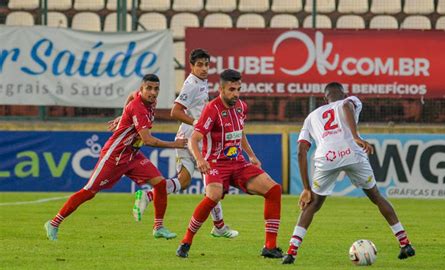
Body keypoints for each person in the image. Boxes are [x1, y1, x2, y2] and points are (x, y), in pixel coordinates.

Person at [281, 82, 415, 264]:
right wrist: (355, 137)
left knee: (312, 205)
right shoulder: (350, 100)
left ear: (324, 98)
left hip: (326, 158)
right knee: (376, 196)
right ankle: (405, 243)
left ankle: (291, 252)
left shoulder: (311, 117)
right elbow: (345, 106)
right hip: (352, 153)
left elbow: (301, 151)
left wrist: (306, 188)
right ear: (344, 94)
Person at [44, 74, 187, 241]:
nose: (152, 92)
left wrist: (123, 114)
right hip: (114, 156)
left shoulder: (148, 101)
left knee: (160, 184)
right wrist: (174, 144)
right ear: (142, 89)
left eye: (156, 89)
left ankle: (159, 227)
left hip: (132, 155)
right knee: (89, 192)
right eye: (148, 88)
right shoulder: (139, 108)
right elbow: (148, 140)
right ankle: (54, 223)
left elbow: (131, 95)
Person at [115, 49, 239, 238]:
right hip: (193, 138)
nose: (204, 68)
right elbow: (175, 111)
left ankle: (149, 195)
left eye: (206, 64)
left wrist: (122, 114)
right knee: (212, 179)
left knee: (185, 181)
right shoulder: (191, 85)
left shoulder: (201, 82)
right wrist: (198, 124)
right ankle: (219, 226)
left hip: (190, 136)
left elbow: (134, 95)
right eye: (199, 65)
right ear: (191, 66)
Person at [175, 69, 283, 259]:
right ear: (221, 89)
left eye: (238, 89)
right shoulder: (211, 108)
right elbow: (194, 139)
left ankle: (270, 247)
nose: (236, 93)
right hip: (215, 163)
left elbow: (240, 133)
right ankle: (186, 241)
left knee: (274, 190)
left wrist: (252, 155)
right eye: (232, 89)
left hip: (238, 163)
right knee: (213, 196)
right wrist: (200, 160)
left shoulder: (241, 106)